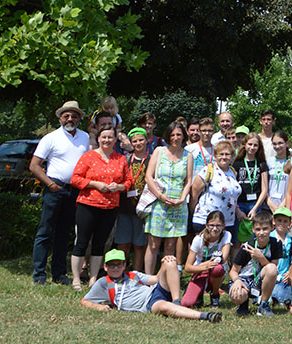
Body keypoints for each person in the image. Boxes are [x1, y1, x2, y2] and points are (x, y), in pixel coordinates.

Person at [30, 100, 90, 285]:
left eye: (74, 115)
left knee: (64, 233)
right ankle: (39, 275)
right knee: (45, 231)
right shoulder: (50, 138)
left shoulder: (85, 138)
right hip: (54, 188)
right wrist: (49, 184)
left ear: (79, 118)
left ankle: (59, 273)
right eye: (66, 115)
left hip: (74, 190)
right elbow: (34, 165)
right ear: (60, 118)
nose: (70, 118)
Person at [69, 124, 134, 290]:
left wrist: (118, 187)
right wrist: (95, 184)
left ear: (115, 140)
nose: (107, 140)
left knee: (100, 243)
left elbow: (128, 181)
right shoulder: (88, 157)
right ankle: (76, 279)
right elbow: (75, 179)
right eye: (103, 137)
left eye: (110, 137)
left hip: (110, 207)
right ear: (98, 139)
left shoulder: (120, 159)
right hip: (88, 205)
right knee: (82, 242)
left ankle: (93, 279)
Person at [81, 249, 221, 322]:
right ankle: (205, 316)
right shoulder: (104, 283)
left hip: (156, 290)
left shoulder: (133, 274)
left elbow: (155, 279)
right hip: (149, 304)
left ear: (124, 265)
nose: (115, 268)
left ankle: (177, 301)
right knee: (164, 307)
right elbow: (84, 301)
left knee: (170, 262)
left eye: (118, 264)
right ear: (105, 267)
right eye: (111, 265)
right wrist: (97, 306)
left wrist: (164, 263)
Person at [144, 121, 192, 274]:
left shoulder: (188, 155)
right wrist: (160, 196)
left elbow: (188, 181)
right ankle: (148, 279)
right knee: (153, 244)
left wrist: (182, 198)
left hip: (178, 205)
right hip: (159, 203)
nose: (175, 138)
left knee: (170, 246)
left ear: (183, 136)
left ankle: (164, 280)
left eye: (179, 134)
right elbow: (148, 177)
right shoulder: (159, 151)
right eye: (172, 134)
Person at [228, 210, 282, 316]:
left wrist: (261, 257)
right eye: (258, 229)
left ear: (272, 228)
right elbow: (233, 271)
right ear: (253, 230)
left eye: (265, 229)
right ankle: (243, 304)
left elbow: (273, 268)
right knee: (237, 296)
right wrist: (237, 281)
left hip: (259, 280)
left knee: (271, 269)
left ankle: (264, 305)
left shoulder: (275, 244)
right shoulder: (247, 247)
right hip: (243, 279)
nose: (261, 232)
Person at [116, 128, 151, 271]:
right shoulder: (125, 160)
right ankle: (120, 271)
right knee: (122, 242)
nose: (138, 143)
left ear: (146, 140)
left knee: (140, 244)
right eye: (135, 141)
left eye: (141, 140)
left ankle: (136, 273)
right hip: (125, 207)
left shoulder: (151, 159)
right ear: (130, 143)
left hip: (143, 208)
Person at [191, 141, 242, 236]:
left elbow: (231, 196)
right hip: (207, 221)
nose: (224, 157)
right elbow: (194, 193)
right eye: (221, 154)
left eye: (227, 154)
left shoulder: (233, 172)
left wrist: (237, 211)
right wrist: (191, 213)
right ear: (215, 156)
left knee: (223, 250)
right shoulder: (208, 170)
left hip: (227, 222)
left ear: (232, 156)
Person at [181, 210, 231, 308]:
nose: (215, 228)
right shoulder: (198, 239)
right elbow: (187, 267)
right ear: (206, 225)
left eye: (218, 225)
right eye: (212, 225)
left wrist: (210, 264)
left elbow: (224, 259)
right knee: (187, 303)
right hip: (200, 271)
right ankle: (198, 293)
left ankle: (215, 294)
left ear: (224, 225)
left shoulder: (226, 235)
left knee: (218, 269)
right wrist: (204, 266)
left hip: (215, 270)